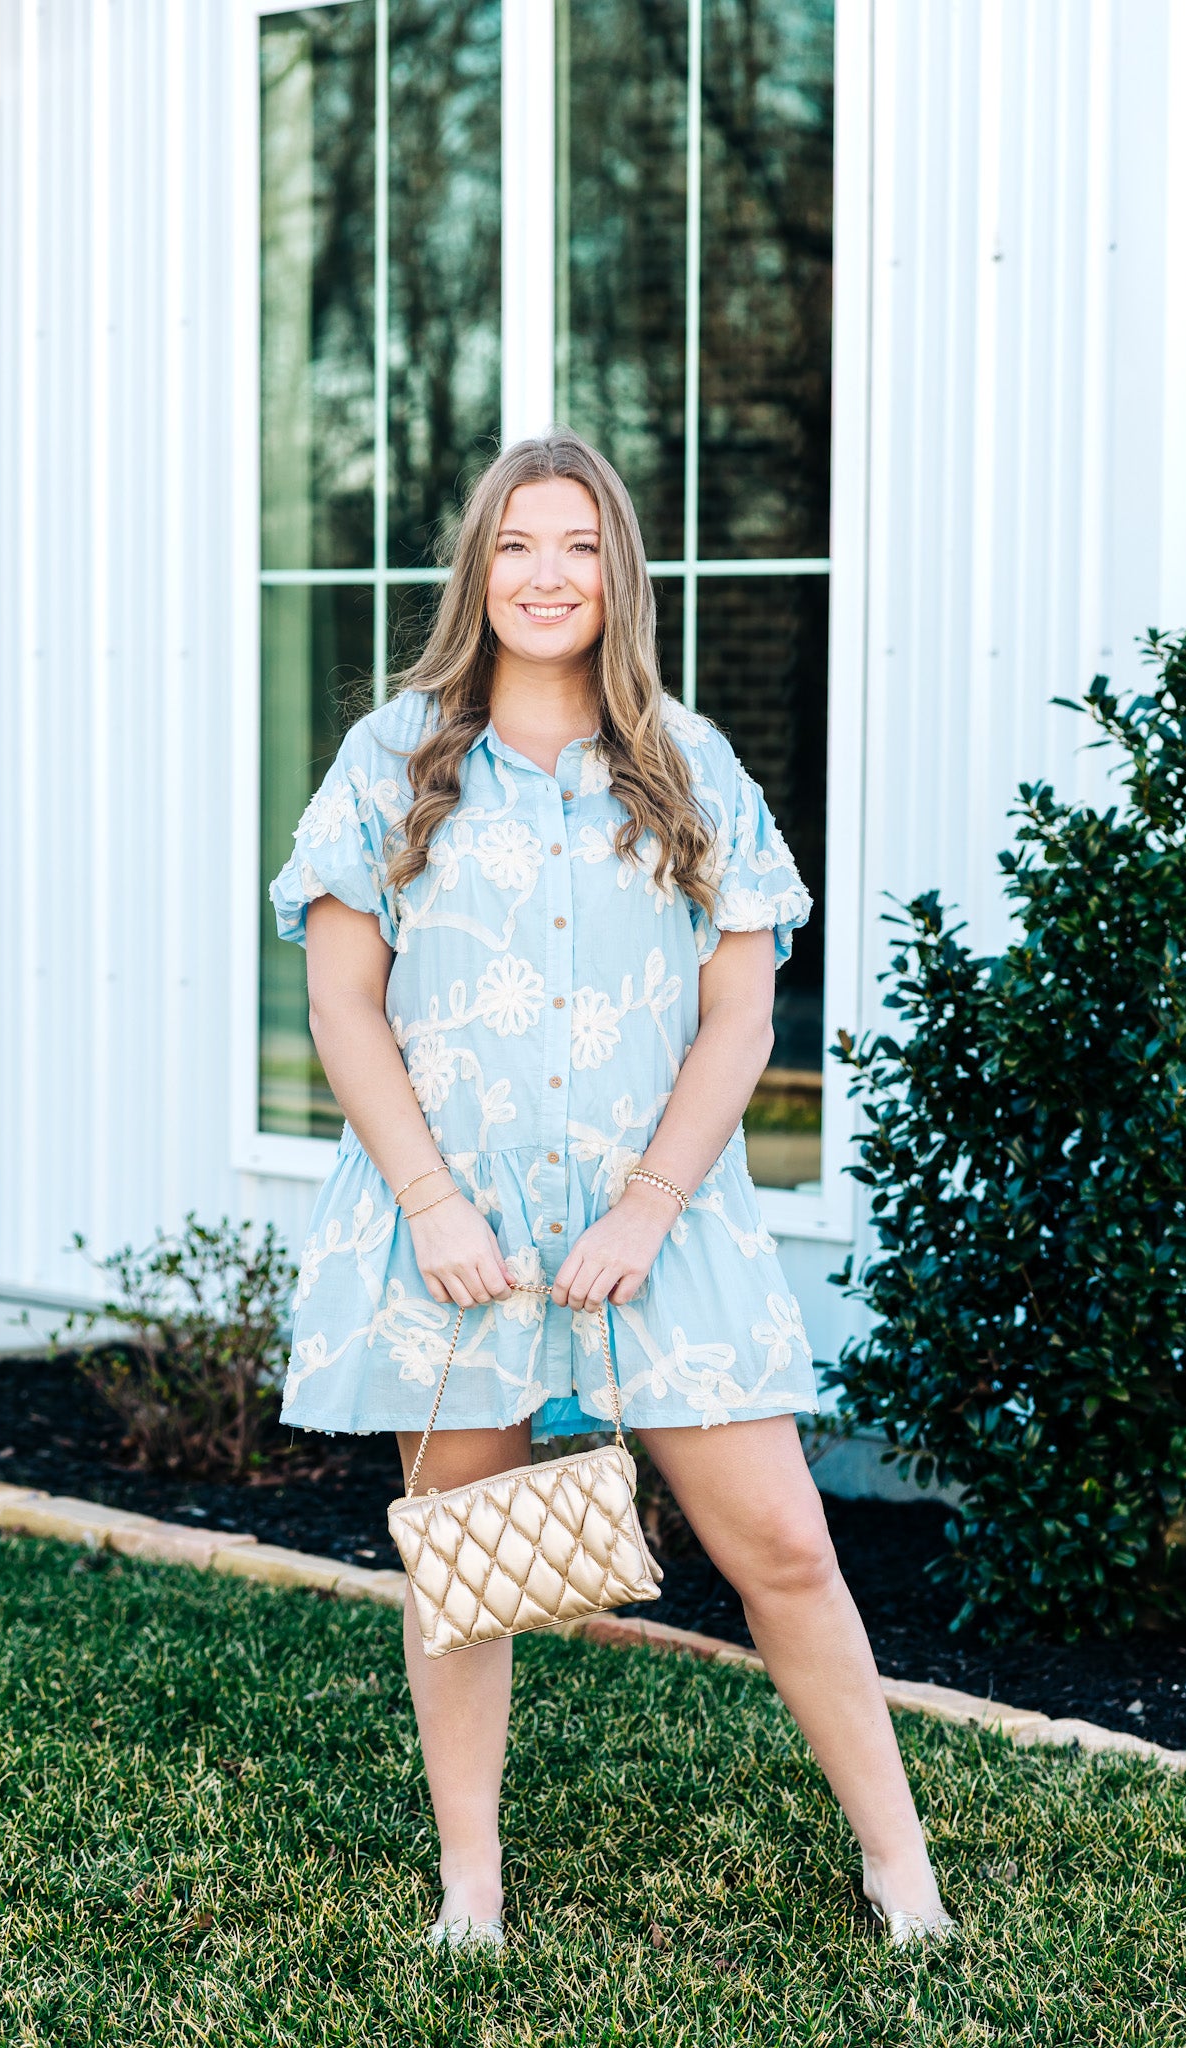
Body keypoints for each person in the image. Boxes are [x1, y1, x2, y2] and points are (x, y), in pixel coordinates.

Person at [269, 429, 954, 1950]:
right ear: (477, 571)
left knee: (782, 1542)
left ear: (616, 574)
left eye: (577, 545)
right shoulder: (391, 759)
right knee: (467, 1563)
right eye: (515, 545)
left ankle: (899, 1867)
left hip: (667, 1223)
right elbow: (341, 1011)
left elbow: (739, 1016)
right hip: (463, 1233)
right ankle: (472, 1884)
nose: (545, 575)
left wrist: (646, 1205)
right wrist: (435, 1204)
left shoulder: (689, 762)